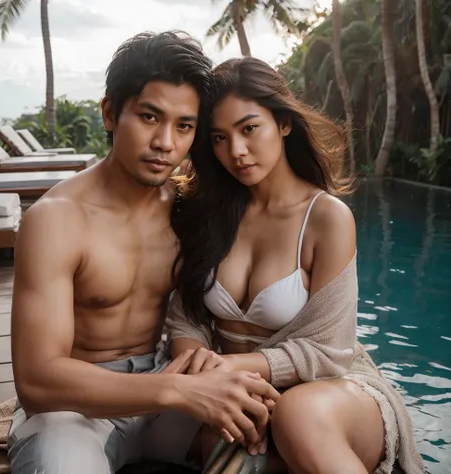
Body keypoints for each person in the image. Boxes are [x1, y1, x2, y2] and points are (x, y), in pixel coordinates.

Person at [8, 33, 280, 474]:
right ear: (111, 112)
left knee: (262, 442)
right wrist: (177, 391)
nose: (165, 143)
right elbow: (38, 380)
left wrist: (208, 376)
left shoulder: (186, 209)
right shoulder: (56, 220)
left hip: (163, 386)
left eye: (184, 126)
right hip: (74, 409)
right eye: (150, 117)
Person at [166, 57, 425, 473]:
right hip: (234, 390)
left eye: (249, 128)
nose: (236, 151)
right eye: (218, 137)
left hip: (329, 394)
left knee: (297, 415)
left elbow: (328, 352)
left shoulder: (326, 219)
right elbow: (187, 319)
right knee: (217, 431)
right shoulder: (206, 213)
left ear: (284, 123)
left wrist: (229, 366)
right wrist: (202, 370)